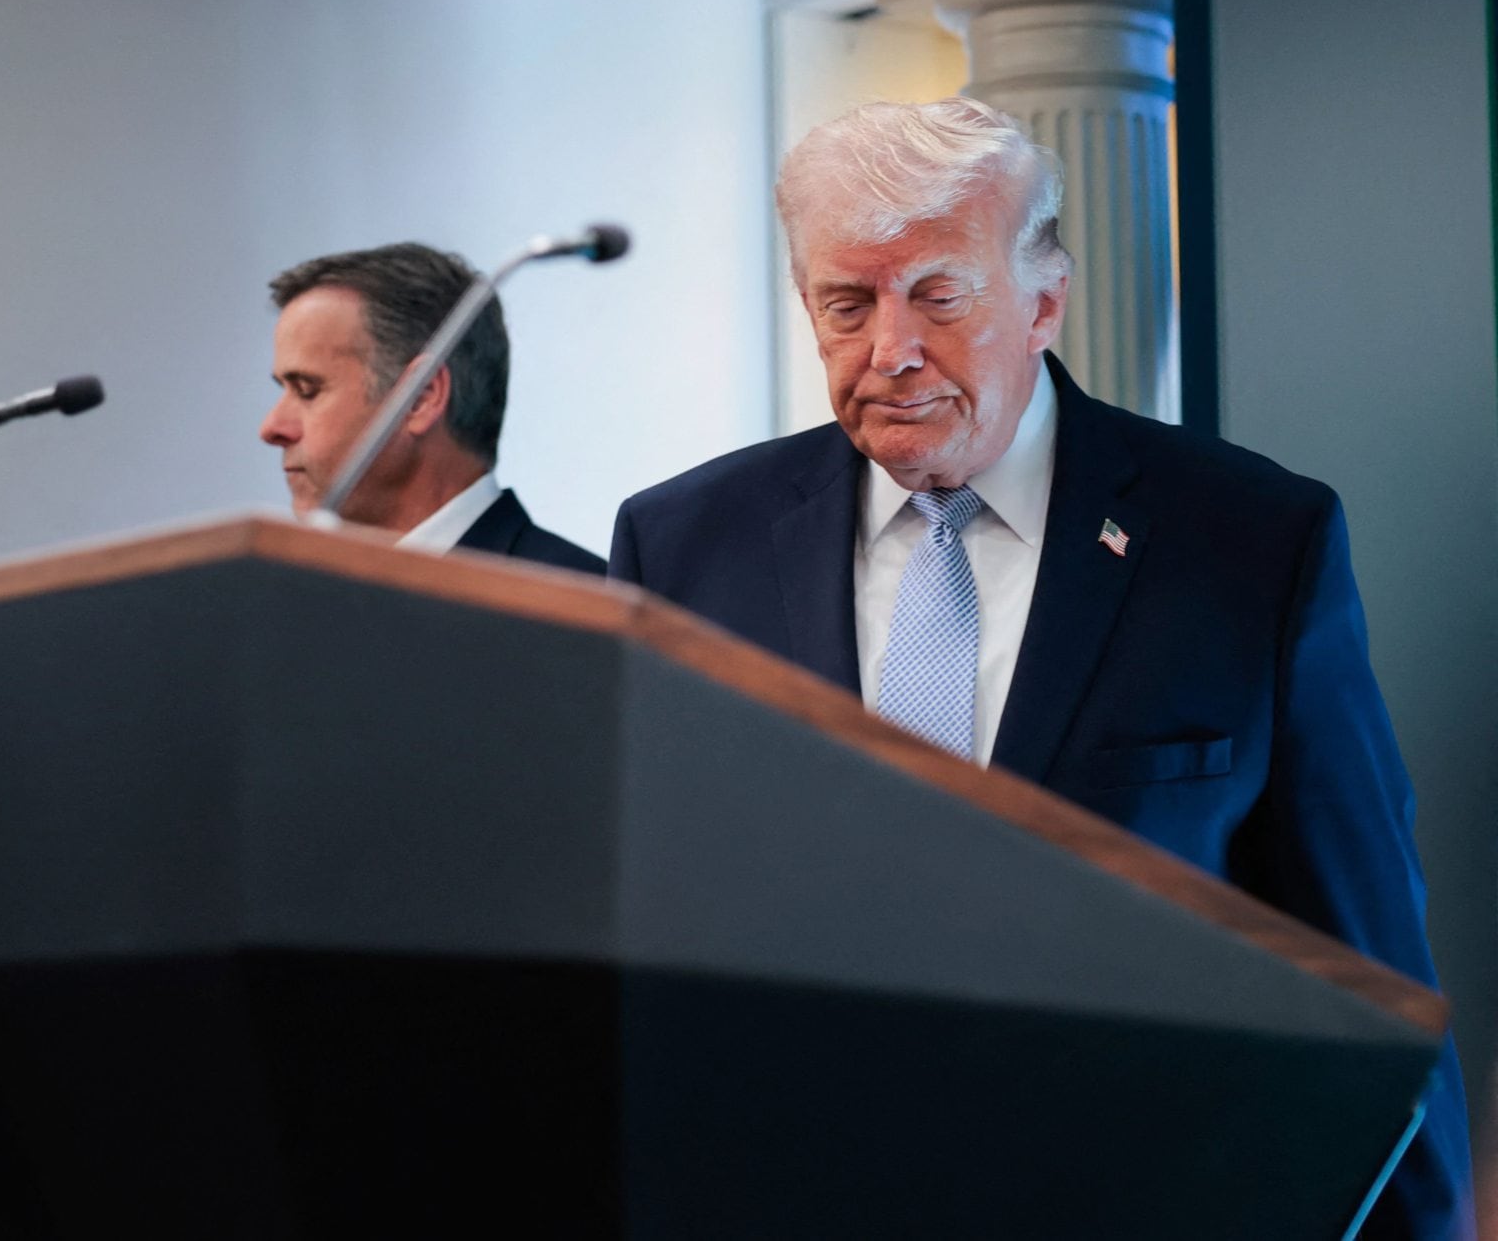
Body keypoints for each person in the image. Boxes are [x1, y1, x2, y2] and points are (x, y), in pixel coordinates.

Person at [608, 97, 1471, 1238]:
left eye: (937, 294)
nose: (889, 350)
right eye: (845, 304)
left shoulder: (1248, 542)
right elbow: (641, 948)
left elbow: (1366, 980)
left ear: (1043, 300)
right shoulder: (681, 547)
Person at [260, 242, 605, 574]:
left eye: (307, 390)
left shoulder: (585, 606)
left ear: (421, 397)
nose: (271, 427)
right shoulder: (292, 607)